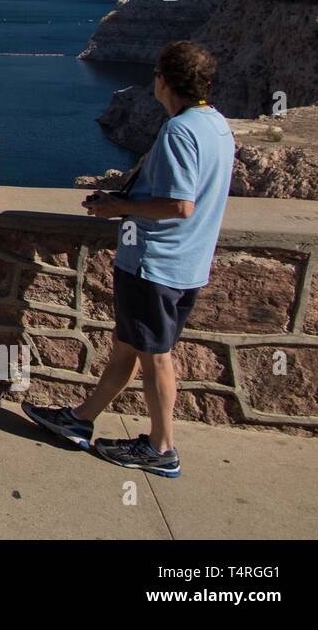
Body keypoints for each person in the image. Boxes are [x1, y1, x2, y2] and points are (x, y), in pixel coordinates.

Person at [24, 41, 235, 478]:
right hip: (188, 263)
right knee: (127, 347)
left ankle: (162, 447)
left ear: (163, 80)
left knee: (156, 356)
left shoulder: (180, 131)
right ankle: (80, 418)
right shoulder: (216, 125)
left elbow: (179, 205)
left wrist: (119, 208)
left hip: (155, 263)